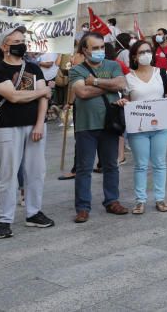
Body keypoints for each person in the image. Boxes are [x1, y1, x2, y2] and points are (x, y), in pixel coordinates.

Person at [0, 26, 54, 238]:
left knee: (36, 171)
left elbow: (44, 98)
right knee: (7, 174)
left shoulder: (34, 68)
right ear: (4, 46)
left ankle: (33, 212)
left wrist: (40, 123)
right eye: (16, 41)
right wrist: (42, 90)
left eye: (23, 40)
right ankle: (4, 219)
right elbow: (14, 96)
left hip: (33, 126)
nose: (21, 45)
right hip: (7, 127)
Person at [69, 32, 129, 222]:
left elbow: (122, 83)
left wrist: (95, 81)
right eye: (95, 48)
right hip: (86, 125)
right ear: (85, 50)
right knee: (84, 167)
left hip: (110, 124)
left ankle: (112, 201)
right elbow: (82, 92)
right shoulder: (77, 70)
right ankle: (83, 207)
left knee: (111, 165)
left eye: (102, 47)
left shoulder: (113, 65)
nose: (100, 51)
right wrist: (110, 86)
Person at [124, 40, 167, 214]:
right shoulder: (128, 78)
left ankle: (160, 199)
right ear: (134, 57)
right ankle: (140, 200)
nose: (146, 54)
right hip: (138, 128)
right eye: (141, 52)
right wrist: (123, 101)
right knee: (140, 164)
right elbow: (127, 100)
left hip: (161, 126)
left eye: (148, 51)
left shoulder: (162, 73)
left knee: (160, 163)